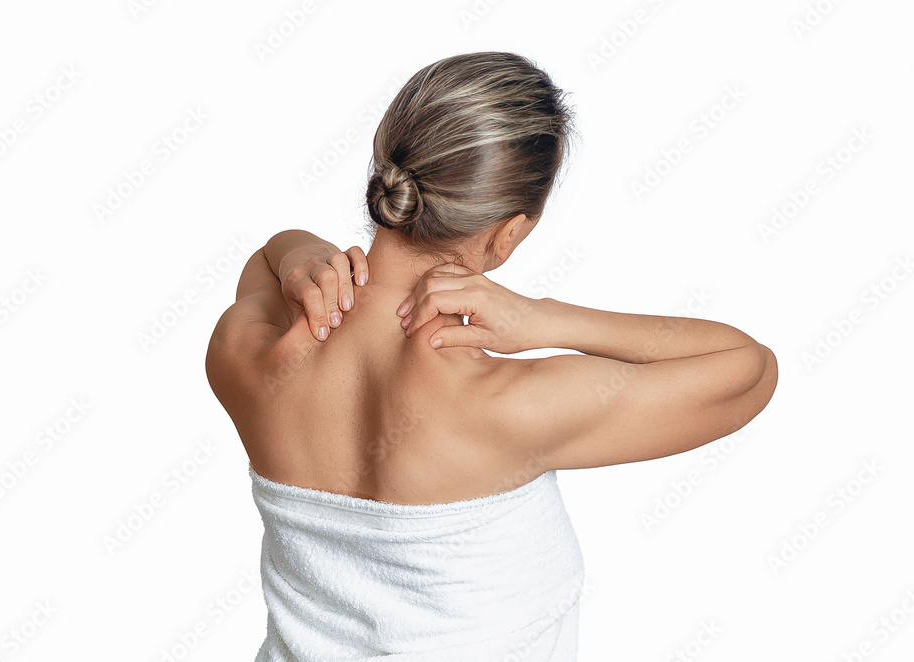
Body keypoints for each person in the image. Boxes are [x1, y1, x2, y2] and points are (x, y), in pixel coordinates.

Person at [206, 51, 778, 661]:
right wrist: (543, 319)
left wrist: (296, 252)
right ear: (508, 234)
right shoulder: (506, 404)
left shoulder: (250, 353)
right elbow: (749, 367)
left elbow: (263, 264)